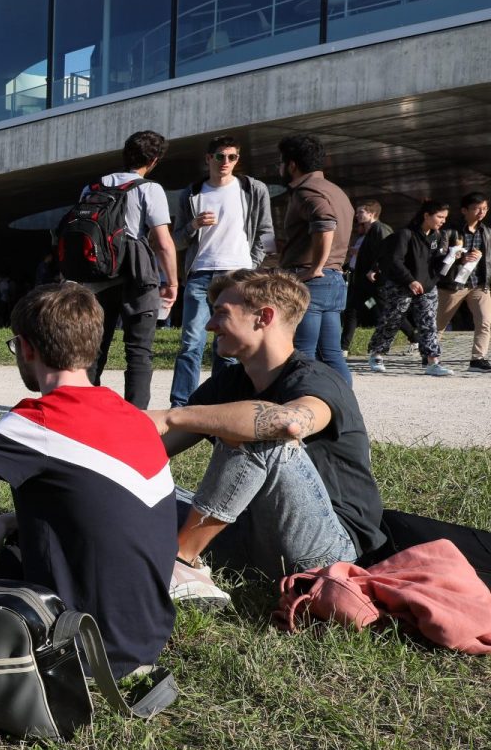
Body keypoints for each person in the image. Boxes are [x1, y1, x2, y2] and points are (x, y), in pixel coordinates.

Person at [0, 283, 177, 678]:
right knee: (9, 561)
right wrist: (9, 521)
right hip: (144, 639)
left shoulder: (39, 421)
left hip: (77, 650)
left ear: (27, 349)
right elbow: (97, 502)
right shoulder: (134, 417)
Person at [151, 270, 384, 608]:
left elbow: (289, 424)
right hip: (250, 533)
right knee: (146, 498)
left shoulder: (317, 379)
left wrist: (174, 414)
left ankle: (181, 561)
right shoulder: (230, 382)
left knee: (260, 433)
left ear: (264, 317)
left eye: (221, 313)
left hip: (328, 550)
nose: (209, 325)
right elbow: (159, 445)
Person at [169, 136, 275, 407]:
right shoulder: (192, 193)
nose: (226, 162)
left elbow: (266, 231)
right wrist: (193, 225)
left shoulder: (253, 189)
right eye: (220, 156)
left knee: (228, 345)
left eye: (232, 157)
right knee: (191, 343)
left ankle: (223, 403)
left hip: (235, 274)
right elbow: (177, 239)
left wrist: (252, 265)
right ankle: (182, 405)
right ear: (208, 159)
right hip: (201, 272)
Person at [84, 130, 179, 409]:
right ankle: (136, 416)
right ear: (153, 161)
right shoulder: (149, 189)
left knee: (92, 350)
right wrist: (172, 281)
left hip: (96, 278)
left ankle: (86, 410)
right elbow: (163, 242)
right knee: (138, 351)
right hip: (137, 276)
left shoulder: (93, 188)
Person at [276, 134, 354, 383]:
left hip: (312, 282)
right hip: (334, 279)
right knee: (331, 354)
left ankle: (306, 409)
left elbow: (325, 222)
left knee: (303, 353)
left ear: (291, 165)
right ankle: (344, 409)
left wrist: (314, 267)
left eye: (281, 162)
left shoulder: (306, 191)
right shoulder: (336, 191)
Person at [368, 200, 455, 376]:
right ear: (426, 215)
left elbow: (435, 263)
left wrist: (455, 257)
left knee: (428, 323)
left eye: (445, 217)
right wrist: (410, 280)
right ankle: (376, 354)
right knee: (392, 319)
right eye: (439, 216)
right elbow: (395, 261)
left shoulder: (437, 237)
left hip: (427, 288)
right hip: (401, 285)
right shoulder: (405, 235)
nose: (443, 221)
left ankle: (432, 361)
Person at [437, 191, 490, 372]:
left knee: (484, 321)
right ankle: (430, 354)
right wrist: (461, 259)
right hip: (453, 285)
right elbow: (439, 257)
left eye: (484, 208)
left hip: (479, 284)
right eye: (476, 208)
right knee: (439, 323)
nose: (481, 212)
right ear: (464, 210)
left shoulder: (487, 232)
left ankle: (478, 359)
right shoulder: (450, 231)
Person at [340, 199, 397, 355]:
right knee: (352, 310)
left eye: (361, 212)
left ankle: (414, 337)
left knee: (384, 309)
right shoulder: (369, 231)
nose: (357, 215)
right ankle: (343, 348)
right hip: (362, 282)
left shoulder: (380, 229)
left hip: (374, 280)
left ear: (372, 213)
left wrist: (374, 269)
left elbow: (387, 252)